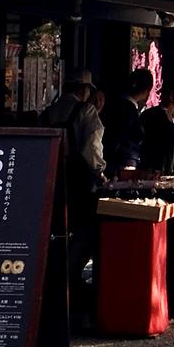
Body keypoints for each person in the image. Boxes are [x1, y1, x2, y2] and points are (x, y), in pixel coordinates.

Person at [40, 68, 105, 321]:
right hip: (79, 183)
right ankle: (72, 283)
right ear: (82, 90)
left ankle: (52, 284)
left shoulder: (48, 112)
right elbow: (93, 148)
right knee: (84, 233)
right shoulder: (86, 111)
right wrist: (100, 173)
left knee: (54, 232)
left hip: (52, 181)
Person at [104, 68, 154, 173]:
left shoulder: (116, 105)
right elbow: (117, 138)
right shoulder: (129, 111)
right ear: (146, 92)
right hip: (123, 164)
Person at [139, 80, 174, 175]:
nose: (170, 98)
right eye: (167, 93)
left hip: (170, 170)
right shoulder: (149, 115)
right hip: (151, 171)